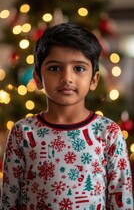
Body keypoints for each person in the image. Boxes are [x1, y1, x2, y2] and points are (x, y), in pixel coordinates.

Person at [1, 23, 133, 210]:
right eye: (55, 68)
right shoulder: (22, 132)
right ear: (38, 79)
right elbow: (9, 198)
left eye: (78, 69)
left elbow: (121, 196)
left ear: (94, 80)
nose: (67, 78)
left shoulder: (109, 132)